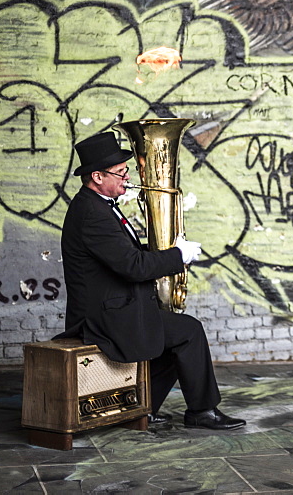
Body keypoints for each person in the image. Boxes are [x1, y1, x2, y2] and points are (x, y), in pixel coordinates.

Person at [57, 131, 246, 430]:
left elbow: (124, 255)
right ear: (96, 176)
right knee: (189, 331)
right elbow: (132, 267)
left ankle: (143, 409)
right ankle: (201, 411)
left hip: (115, 309)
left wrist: (172, 250)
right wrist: (175, 256)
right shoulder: (92, 213)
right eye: (119, 173)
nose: (126, 177)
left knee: (176, 336)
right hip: (103, 319)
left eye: (125, 171)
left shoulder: (98, 206)